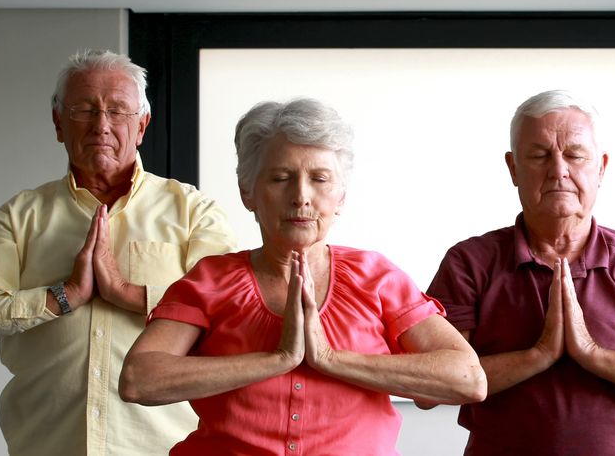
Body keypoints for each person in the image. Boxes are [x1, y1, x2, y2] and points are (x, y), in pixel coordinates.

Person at [118, 98, 487, 455]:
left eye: (320, 179)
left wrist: (330, 358)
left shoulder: (377, 277)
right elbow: (139, 379)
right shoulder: (211, 280)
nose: (301, 196)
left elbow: (468, 378)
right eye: (281, 178)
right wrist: (277, 359)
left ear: (341, 196)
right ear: (248, 192)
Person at [0, 50, 236, 456]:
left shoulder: (194, 212)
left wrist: (128, 293)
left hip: (164, 448)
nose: (101, 125)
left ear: (142, 125)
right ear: (59, 124)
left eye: (118, 111)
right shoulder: (21, 216)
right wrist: (63, 296)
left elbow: (231, 317)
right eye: (83, 110)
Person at [425, 89, 615, 454]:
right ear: (513, 168)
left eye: (574, 155)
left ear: (600, 167)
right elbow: (428, 388)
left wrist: (590, 353)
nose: (558, 170)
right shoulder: (469, 263)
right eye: (539, 155)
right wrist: (536, 356)